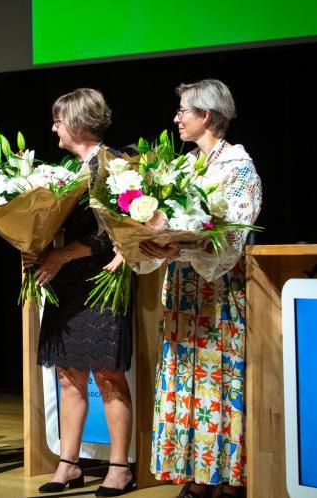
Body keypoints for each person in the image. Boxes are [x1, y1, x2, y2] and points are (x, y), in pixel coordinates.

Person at [137, 79, 262, 498]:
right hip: (183, 290)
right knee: (184, 377)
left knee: (218, 379)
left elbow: (233, 237)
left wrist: (186, 244)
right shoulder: (184, 168)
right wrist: (155, 242)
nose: (176, 118)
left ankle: (226, 477)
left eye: (183, 112)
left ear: (206, 115)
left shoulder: (239, 167)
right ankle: (193, 474)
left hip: (220, 292)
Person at [26, 88, 136, 496]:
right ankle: (68, 464)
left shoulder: (116, 164)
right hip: (67, 279)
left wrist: (61, 256)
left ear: (76, 122)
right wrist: (36, 248)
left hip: (100, 280)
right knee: (69, 375)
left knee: (108, 375)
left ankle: (120, 467)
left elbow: (113, 236)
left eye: (58, 120)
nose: (53, 127)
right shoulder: (68, 170)